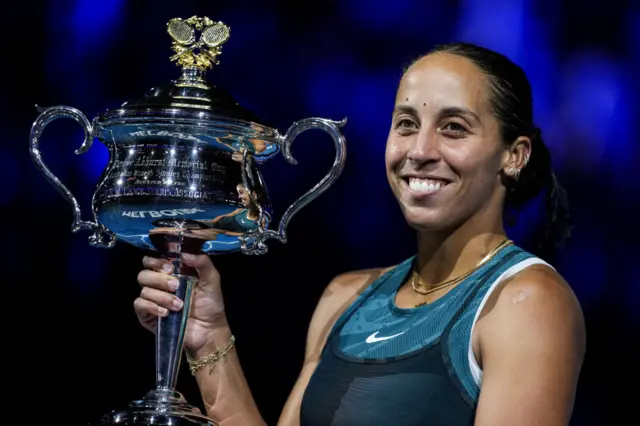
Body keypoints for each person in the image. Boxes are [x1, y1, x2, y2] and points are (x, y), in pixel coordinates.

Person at [133, 42, 586, 426]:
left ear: (514, 155)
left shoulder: (527, 302)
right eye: (406, 124)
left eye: (454, 128)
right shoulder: (345, 297)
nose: (420, 151)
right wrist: (208, 332)